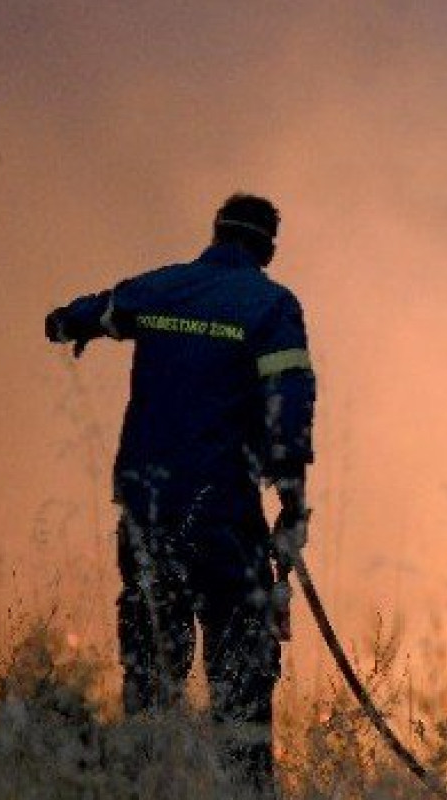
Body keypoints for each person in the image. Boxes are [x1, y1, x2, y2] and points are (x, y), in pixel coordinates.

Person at [43, 193, 314, 792]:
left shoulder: (164, 288)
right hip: (225, 524)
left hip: (147, 517)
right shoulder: (271, 305)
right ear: (267, 247)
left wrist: (66, 322)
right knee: (241, 687)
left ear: (216, 234)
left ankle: (144, 785)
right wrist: (292, 504)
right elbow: (288, 410)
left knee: (152, 682)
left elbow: (91, 312)